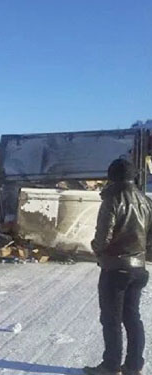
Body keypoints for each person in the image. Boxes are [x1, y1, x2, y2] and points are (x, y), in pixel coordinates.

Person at [84, 158, 151, 375]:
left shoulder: (112, 199)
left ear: (112, 177)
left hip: (115, 269)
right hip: (138, 268)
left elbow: (103, 237)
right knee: (133, 318)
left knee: (111, 319)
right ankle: (134, 366)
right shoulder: (146, 201)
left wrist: (96, 248)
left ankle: (110, 366)